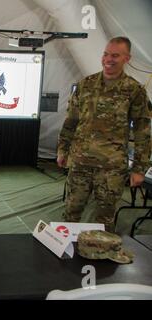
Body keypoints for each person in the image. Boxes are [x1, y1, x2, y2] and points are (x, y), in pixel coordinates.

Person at [57, 36, 151, 232]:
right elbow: (71, 121)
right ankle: (63, 258)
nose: (108, 59)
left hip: (111, 169)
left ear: (127, 58)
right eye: (106, 54)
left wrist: (140, 168)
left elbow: (143, 130)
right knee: (70, 213)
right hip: (80, 163)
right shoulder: (86, 85)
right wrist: (62, 150)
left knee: (104, 219)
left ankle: (99, 259)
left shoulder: (134, 90)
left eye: (115, 55)